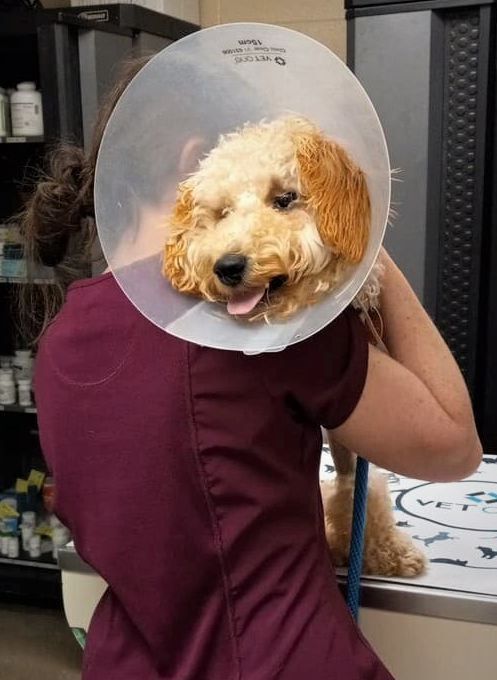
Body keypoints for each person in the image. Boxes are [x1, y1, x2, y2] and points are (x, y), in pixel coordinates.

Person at [21, 55, 481, 680]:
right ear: (197, 163)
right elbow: (453, 446)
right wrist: (368, 250)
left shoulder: (59, 342)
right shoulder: (262, 326)